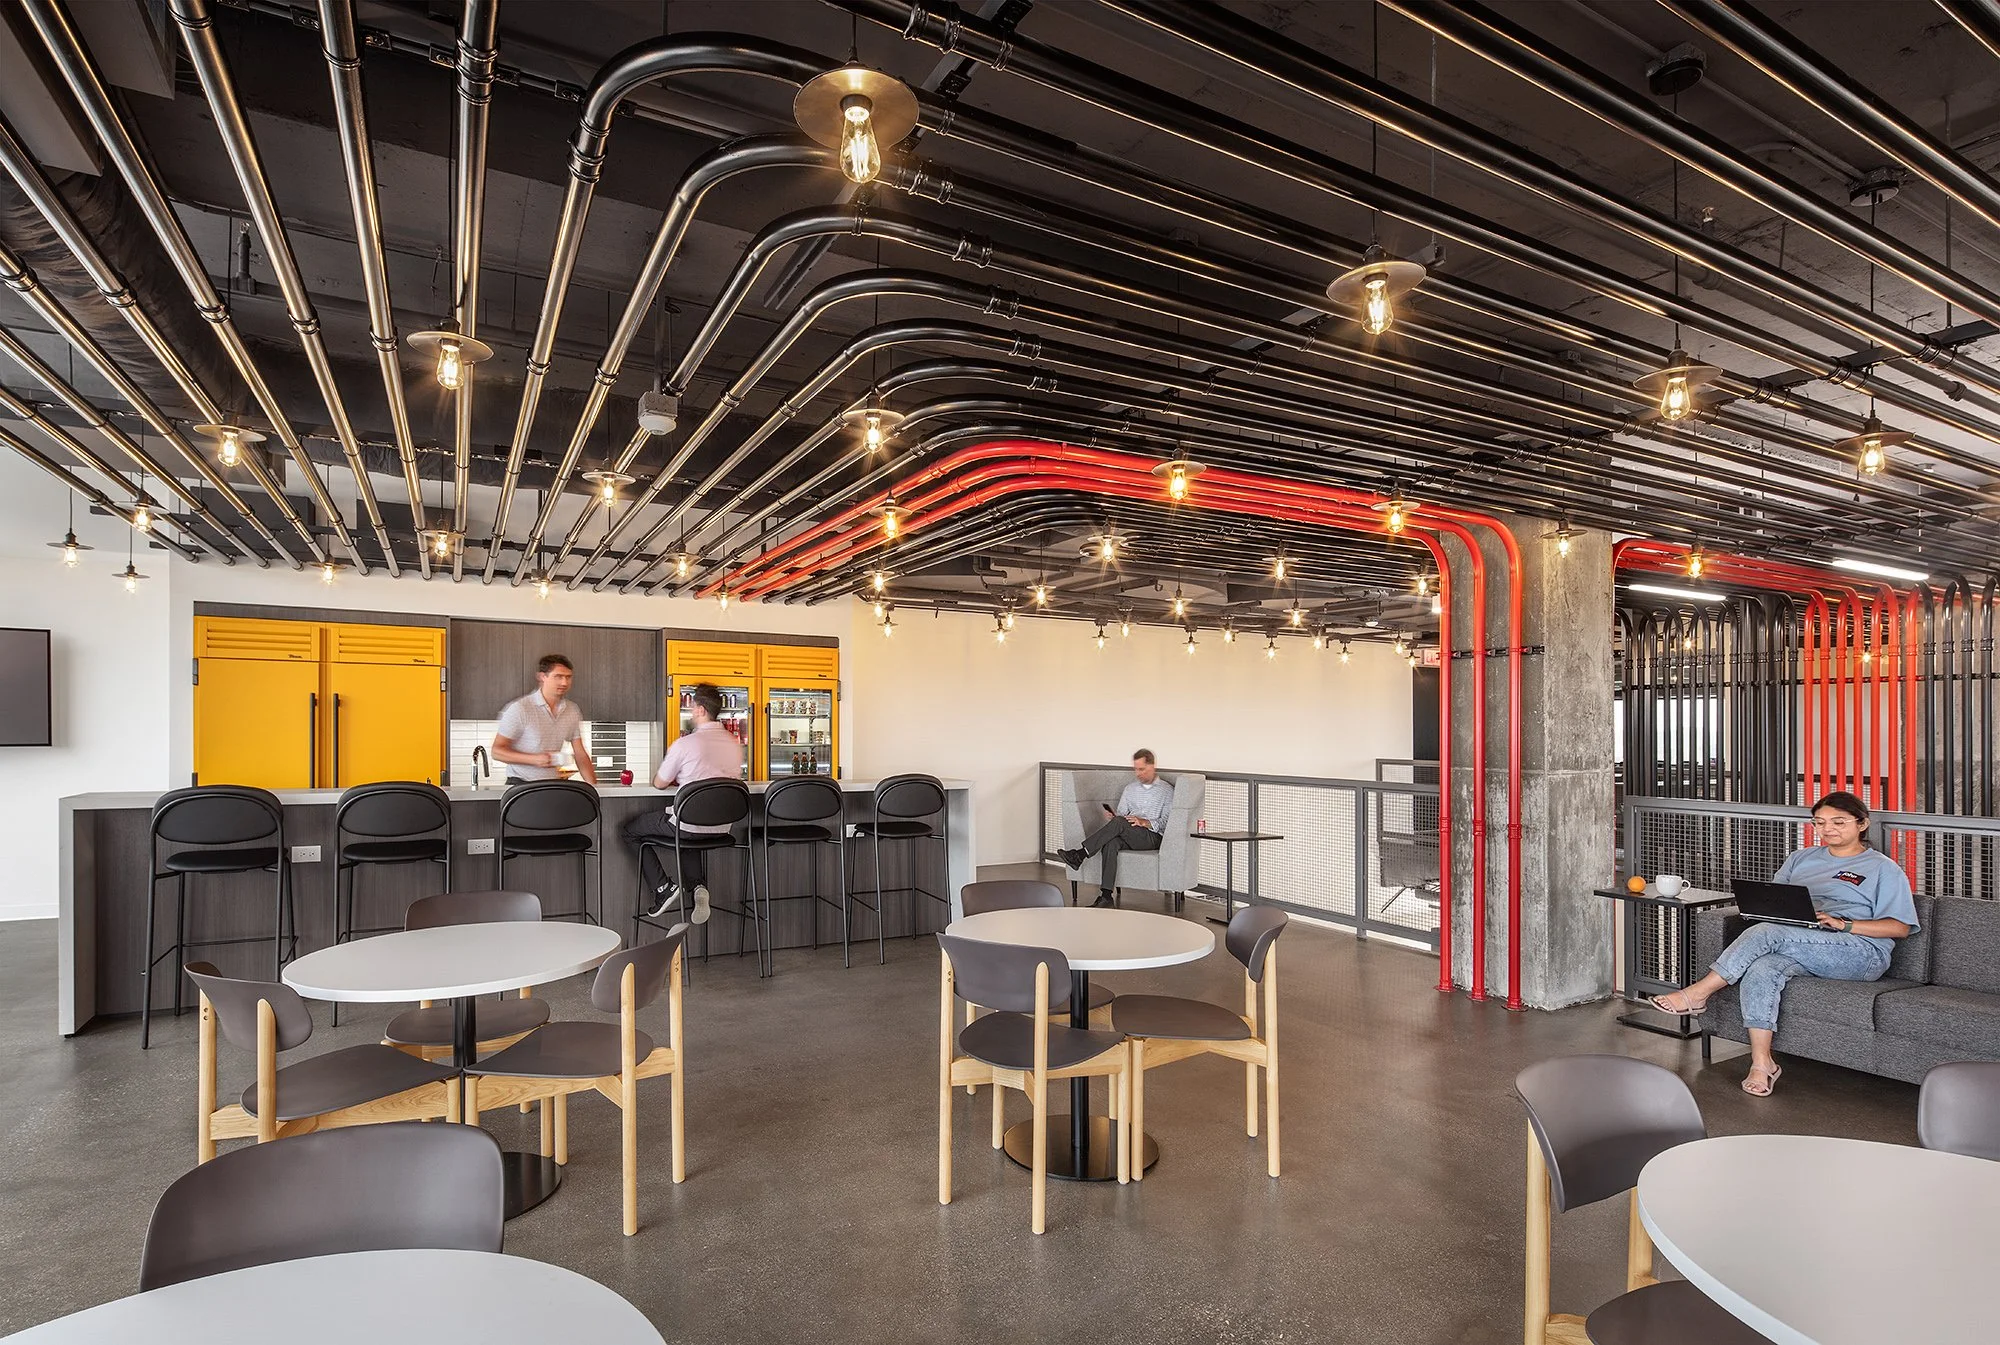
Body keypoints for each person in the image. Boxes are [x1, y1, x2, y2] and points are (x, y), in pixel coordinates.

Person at [1650, 790, 1918, 1097]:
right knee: (1763, 968)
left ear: (1862, 824)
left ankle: (1699, 993)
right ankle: (1762, 1064)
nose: (1828, 828)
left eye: (1838, 822)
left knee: (1768, 933)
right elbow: (1774, 901)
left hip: (1860, 950)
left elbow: (1899, 928)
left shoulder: (1883, 868)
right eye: (1820, 822)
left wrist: (1843, 923)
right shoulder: (1801, 858)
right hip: (1802, 940)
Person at [623, 682, 743, 924]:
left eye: (692, 708)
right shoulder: (733, 744)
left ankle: (663, 888)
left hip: (689, 826)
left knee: (630, 831)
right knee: (689, 830)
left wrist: (679, 776)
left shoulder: (685, 744)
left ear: (699, 709)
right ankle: (697, 886)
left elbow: (659, 783)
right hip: (723, 828)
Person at [1056, 749, 1174, 907]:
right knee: (1111, 843)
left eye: (1142, 769)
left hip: (1153, 836)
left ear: (1152, 766)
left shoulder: (1166, 790)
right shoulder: (1130, 789)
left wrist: (1144, 822)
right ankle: (1106, 896)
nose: (1138, 773)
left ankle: (1080, 854)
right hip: (1130, 832)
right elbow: (1122, 814)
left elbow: (1167, 822)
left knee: (1119, 823)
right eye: (1136, 769)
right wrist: (1114, 818)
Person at [492, 653, 596, 786]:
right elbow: (497, 752)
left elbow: (580, 754)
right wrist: (535, 759)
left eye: (568, 677)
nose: (564, 682)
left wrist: (594, 788)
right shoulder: (520, 708)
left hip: (552, 783)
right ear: (542, 677)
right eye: (558, 676)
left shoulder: (572, 710)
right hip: (521, 784)